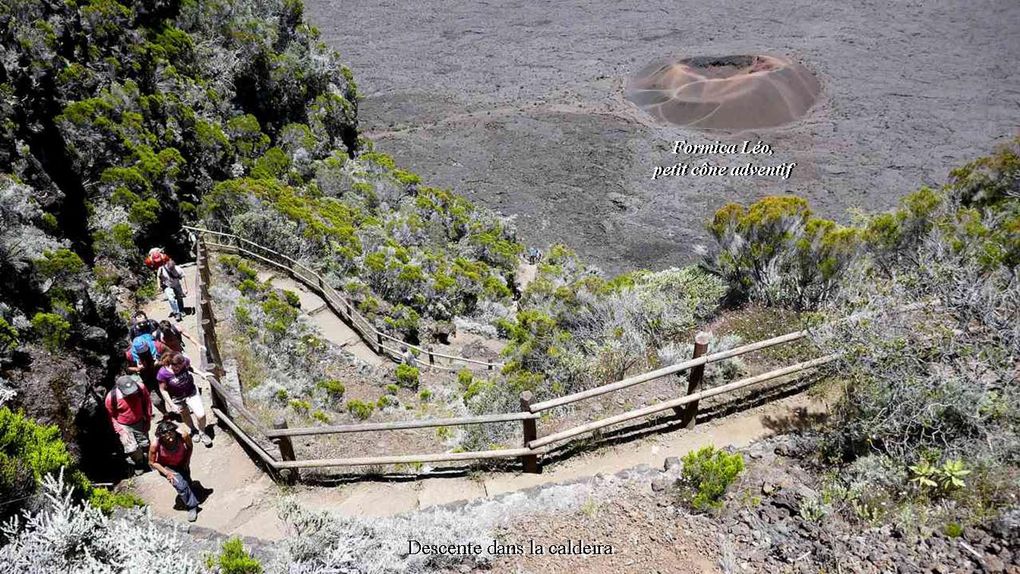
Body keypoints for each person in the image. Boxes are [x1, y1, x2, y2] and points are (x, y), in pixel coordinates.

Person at [149, 419, 200, 522]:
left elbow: (190, 447)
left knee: (186, 479)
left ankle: (189, 490)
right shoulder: (155, 445)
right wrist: (166, 473)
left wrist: (187, 461)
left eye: (171, 434)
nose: (170, 438)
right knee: (180, 485)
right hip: (167, 466)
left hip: (182, 460)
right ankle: (192, 506)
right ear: (161, 436)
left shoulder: (183, 435)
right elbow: (152, 462)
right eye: (166, 437)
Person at [157, 352, 212, 446]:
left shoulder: (184, 362)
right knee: (185, 415)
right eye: (177, 367)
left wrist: (202, 374)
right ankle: (193, 430)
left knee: (201, 414)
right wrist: (171, 404)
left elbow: (190, 367)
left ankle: (202, 432)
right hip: (176, 398)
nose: (179, 369)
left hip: (191, 392)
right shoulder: (163, 373)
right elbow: (163, 390)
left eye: (182, 366)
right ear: (171, 364)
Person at [104, 375, 152, 475]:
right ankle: (139, 463)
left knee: (145, 444)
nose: (131, 394)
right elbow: (112, 416)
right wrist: (121, 432)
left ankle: (149, 461)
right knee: (131, 448)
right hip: (124, 426)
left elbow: (147, 403)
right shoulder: (111, 398)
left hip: (140, 421)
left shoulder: (140, 388)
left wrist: (147, 420)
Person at [125, 336, 167, 415]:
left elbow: (171, 355)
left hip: (162, 373)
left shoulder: (157, 346)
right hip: (147, 379)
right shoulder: (129, 355)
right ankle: (166, 413)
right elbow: (126, 368)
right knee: (156, 401)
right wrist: (137, 369)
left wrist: (159, 363)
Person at [157, 257, 188, 321]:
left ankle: (181, 310)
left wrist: (185, 288)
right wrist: (159, 286)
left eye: (172, 268)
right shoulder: (161, 269)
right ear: (167, 265)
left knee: (179, 297)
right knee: (171, 299)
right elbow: (158, 276)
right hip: (167, 285)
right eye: (170, 269)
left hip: (176, 285)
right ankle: (176, 313)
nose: (172, 270)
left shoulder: (178, 269)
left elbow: (183, 277)